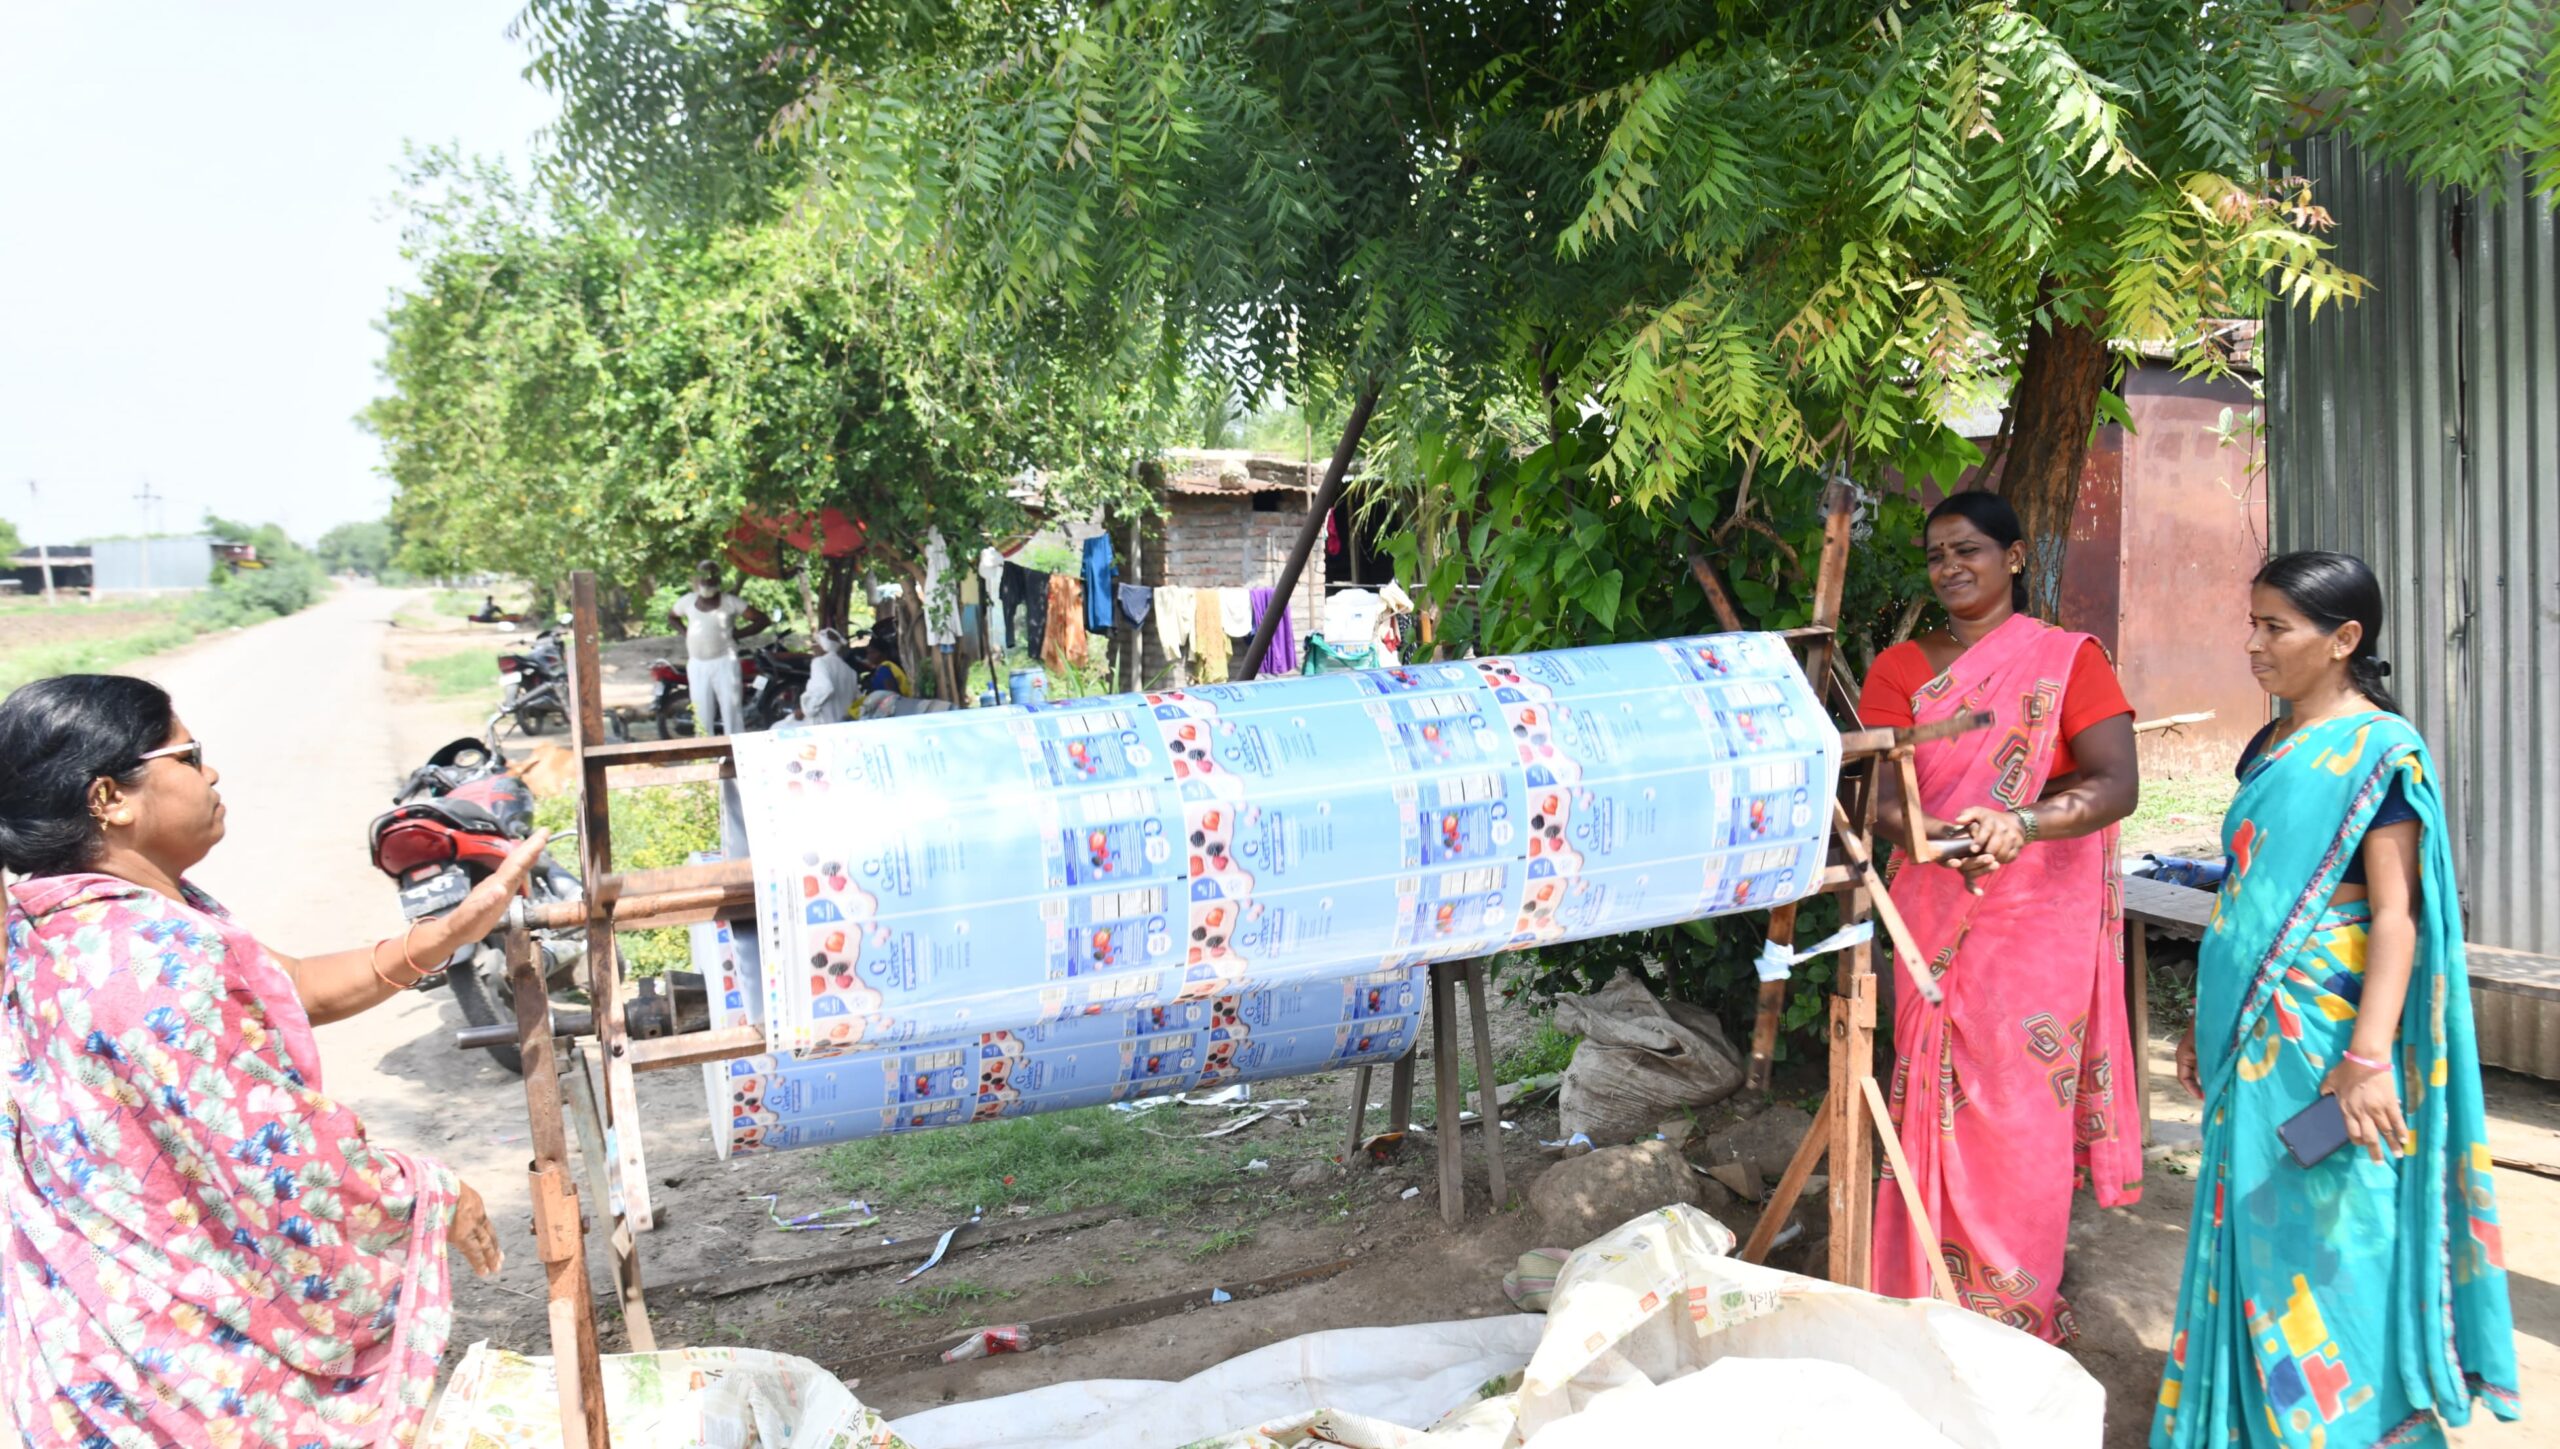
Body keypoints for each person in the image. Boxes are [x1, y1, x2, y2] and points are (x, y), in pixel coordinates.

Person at [0, 674, 549, 1447]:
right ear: (109, 798)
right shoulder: (148, 957)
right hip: (177, 1374)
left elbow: (280, 985)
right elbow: (285, 1161)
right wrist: (431, 1193)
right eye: (188, 756)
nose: (212, 772)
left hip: (85, 1348)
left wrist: (445, 932)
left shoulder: (55, 921)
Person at [2153, 552, 2516, 1447]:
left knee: (2330, 1229)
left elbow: (2396, 914)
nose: (2253, 644)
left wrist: (2366, 1057)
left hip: (2322, 1030)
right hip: (2246, 1026)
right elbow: (2247, 892)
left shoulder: (2378, 751)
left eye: (2275, 627)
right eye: (2253, 623)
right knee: (2250, 1220)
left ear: (2344, 638)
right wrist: (2204, 1019)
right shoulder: (2271, 743)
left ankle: (2350, 1425)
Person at [1857, 491, 2144, 1345]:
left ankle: (2015, 1313)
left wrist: (2020, 822)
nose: (1949, 567)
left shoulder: (2067, 660)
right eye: (1936, 555)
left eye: (1968, 549)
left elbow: (2115, 781)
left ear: (2015, 557)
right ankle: (1927, 1298)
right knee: (1934, 1095)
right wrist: (1949, 840)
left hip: (2036, 927)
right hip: (1934, 910)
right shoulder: (1900, 668)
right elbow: (1878, 796)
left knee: (2021, 1115)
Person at [668, 561, 769, 737]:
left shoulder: (730, 602)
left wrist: (738, 634)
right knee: (701, 713)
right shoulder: (688, 601)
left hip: (725, 663)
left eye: (712, 576)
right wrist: (686, 633)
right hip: (697, 665)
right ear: (697, 579)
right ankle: (704, 750)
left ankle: (734, 749)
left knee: (731, 711)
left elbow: (762, 619)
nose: (707, 580)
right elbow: (672, 617)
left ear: (718, 580)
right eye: (704, 576)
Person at [798, 627, 862, 724]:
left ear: (823, 646)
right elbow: (856, 697)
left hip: (822, 723)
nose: (813, 647)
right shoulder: (850, 671)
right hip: (843, 724)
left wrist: (807, 709)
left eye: (816, 643)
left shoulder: (820, 662)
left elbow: (825, 688)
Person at [856, 635, 911, 699]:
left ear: (884, 653)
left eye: (873, 652)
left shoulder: (885, 670)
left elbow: (891, 695)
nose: (869, 656)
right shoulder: (879, 669)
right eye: (868, 653)